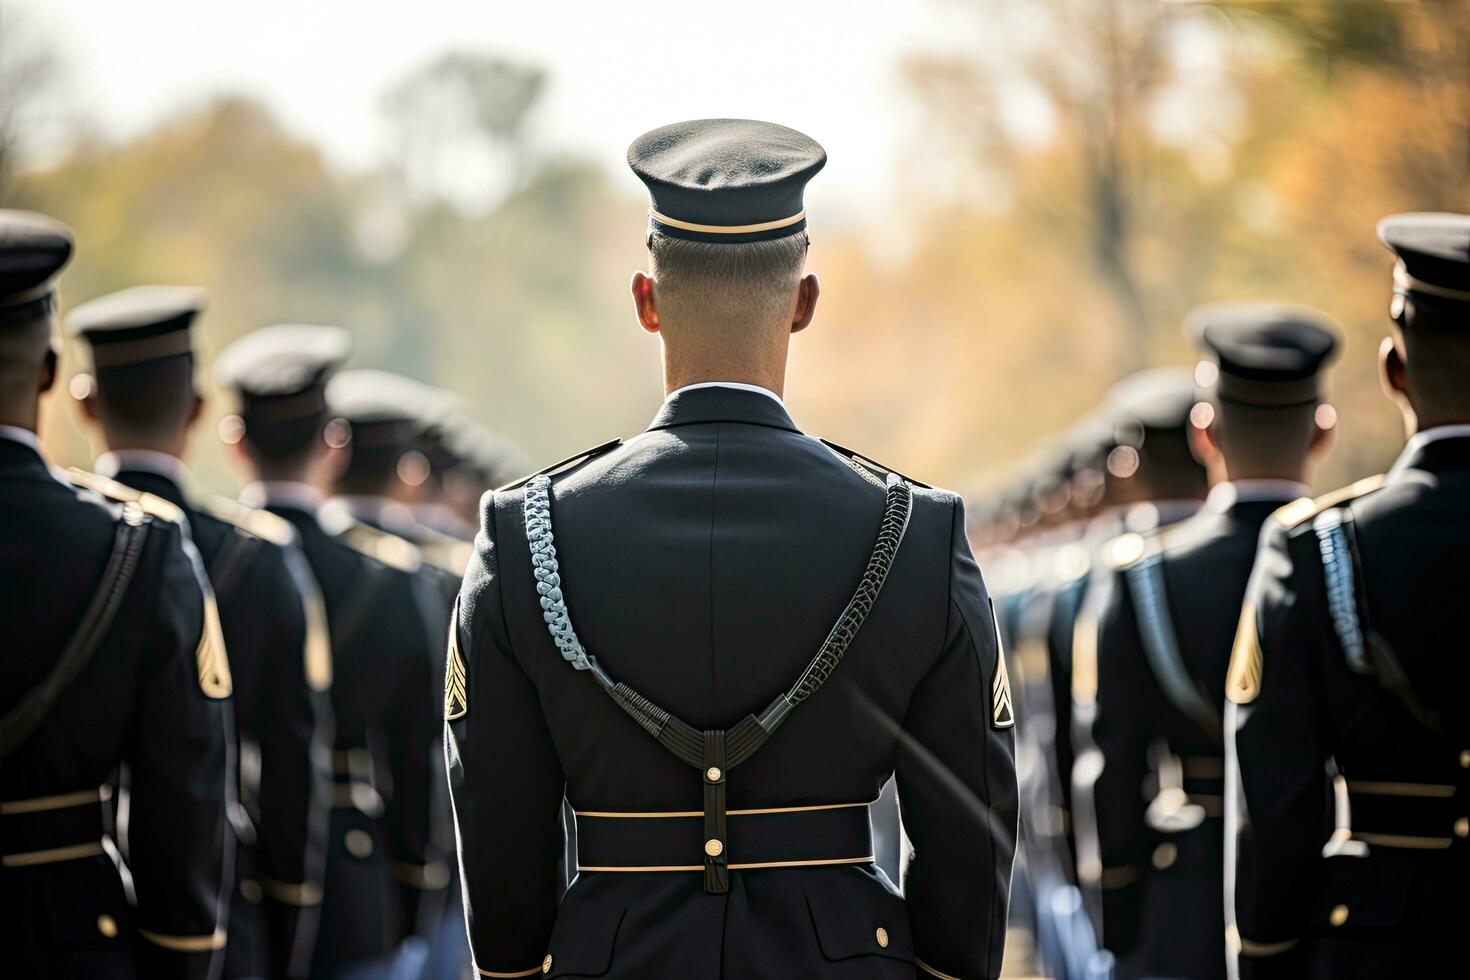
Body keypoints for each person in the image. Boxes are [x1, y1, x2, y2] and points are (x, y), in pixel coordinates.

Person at [446, 118, 1018, 980]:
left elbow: (498, 828)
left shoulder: (525, 531)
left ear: (645, 300)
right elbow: (968, 837)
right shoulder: (917, 530)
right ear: (804, 301)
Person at [66, 285, 335, 979]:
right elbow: (289, 763)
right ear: (196, 408)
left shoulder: (49, 539)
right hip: (215, 912)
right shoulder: (259, 555)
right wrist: (286, 914)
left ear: (82, 403)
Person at [1227, 213, 1470, 978]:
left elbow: (1277, 811)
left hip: (1380, 948)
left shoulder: (1316, 546)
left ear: (1392, 369)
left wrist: (1263, 956)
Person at [0, 210, 232, 978]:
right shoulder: (141, 542)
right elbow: (183, 799)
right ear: (47, 371)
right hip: (68, 941)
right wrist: (182, 959)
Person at [1080, 304, 1339, 979]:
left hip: (1189, 896)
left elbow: (1114, 763)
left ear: (1206, 433)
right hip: (1336, 891)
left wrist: (1120, 914)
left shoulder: (1142, 575)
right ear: (1322, 433)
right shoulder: (1351, 555)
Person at [214, 324, 444, 979]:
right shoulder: (390, 580)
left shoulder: (203, 555)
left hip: (226, 866)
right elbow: (414, 756)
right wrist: (411, 888)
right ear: (332, 444)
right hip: (350, 874)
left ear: (235, 443)